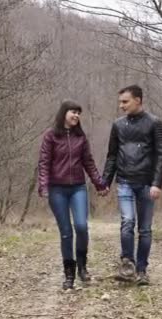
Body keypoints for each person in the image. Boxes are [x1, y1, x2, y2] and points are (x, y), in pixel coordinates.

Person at [38, 100, 108, 290]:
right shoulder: (50, 136)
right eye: (73, 112)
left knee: (81, 226)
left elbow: (89, 162)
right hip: (57, 189)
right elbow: (44, 162)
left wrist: (99, 183)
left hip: (77, 187)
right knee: (66, 233)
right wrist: (43, 186)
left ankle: (82, 267)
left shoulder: (80, 137)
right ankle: (69, 274)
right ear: (64, 113)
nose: (76, 115)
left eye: (78, 113)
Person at [102, 85, 162, 286]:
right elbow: (112, 155)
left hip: (147, 183)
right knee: (127, 222)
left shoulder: (155, 123)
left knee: (145, 229)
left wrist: (157, 183)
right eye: (120, 101)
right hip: (124, 181)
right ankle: (127, 263)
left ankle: (142, 270)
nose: (121, 105)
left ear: (138, 100)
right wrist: (105, 181)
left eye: (125, 101)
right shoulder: (118, 125)